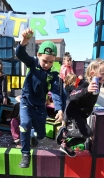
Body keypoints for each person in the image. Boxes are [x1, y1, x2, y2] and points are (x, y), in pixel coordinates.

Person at [16, 28, 63, 168]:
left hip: (40, 105)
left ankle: (33, 135)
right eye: (45, 61)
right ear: (38, 55)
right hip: (26, 101)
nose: (47, 64)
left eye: (51, 62)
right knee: (24, 124)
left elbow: (56, 92)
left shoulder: (54, 73)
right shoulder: (33, 63)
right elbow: (20, 53)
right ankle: (25, 154)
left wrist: (59, 109)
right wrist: (24, 41)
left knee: (41, 135)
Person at [56, 58, 104, 157]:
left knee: (82, 137)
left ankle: (65, 145)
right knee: (88, 132)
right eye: (102, 73)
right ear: (92, 73)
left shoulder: (98, 84)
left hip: (81, 114)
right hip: (74, 111)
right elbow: (72, 95)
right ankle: (65, 132)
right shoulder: (84, 83)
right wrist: (87, 90)